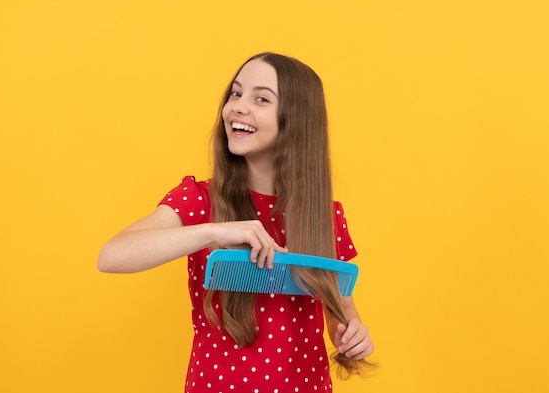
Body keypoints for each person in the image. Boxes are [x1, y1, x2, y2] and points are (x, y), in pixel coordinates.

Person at [98, 52, 375, 392]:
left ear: (296, 119)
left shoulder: (325, 215)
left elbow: (340, 310)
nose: (238, 106)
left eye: (261, 98)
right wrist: (214, 231)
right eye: (235, 93)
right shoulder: (199, 201)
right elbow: (110, 256)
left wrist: (352, 335)